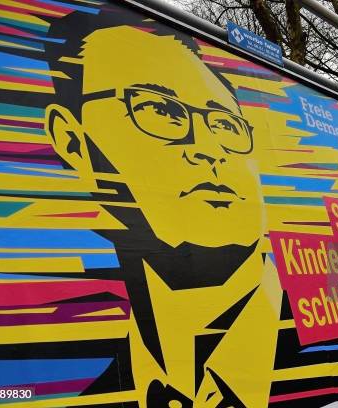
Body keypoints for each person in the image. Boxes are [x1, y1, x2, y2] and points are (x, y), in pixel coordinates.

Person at [43, 6, 277, 407]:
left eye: (224, 123)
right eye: (158, 109)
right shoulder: (97, 397)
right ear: (72, 142)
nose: (208, 149)